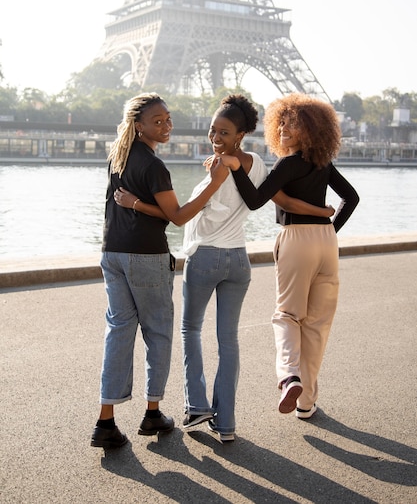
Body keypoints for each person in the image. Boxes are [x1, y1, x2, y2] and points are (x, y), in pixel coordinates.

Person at [114, 94, 335, 442]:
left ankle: (197, 406)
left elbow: (183, 213)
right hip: (238, 260)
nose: (216, 137)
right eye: (213, 130)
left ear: (241, 134)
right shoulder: (258, 164)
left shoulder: (220, 168)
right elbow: (273, 199)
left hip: (204, 258)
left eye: (224, 132)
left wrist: (136, 202)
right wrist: (322, 212)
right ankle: (227, 424)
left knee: (190, 331)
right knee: (228, 340)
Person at [91, 92, 229, 450]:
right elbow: (178, 216)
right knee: (158, 333)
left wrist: (137, 204)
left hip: (112, 253)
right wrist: (214, 184)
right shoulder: (153, 166)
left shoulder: (117, 157)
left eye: (168, 119)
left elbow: (134, 208)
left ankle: (106, 419)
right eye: (158, 121)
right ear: (139, 126)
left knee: (119, 333)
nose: (166, 126)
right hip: (146, 256)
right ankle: (153, 412)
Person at [219, 93, 359, 420]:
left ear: (310, 130)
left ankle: (289, 375)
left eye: (291, 123)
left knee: (286, 315)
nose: (282, 128)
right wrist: (328, 230)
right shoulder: (323, 163)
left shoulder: (289, 163)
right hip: (326, 242)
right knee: (317, 324)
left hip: (296, 238)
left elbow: (255, 200)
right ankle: (306, 402)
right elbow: (350, 198)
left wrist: (237, 167)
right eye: (280, 121)